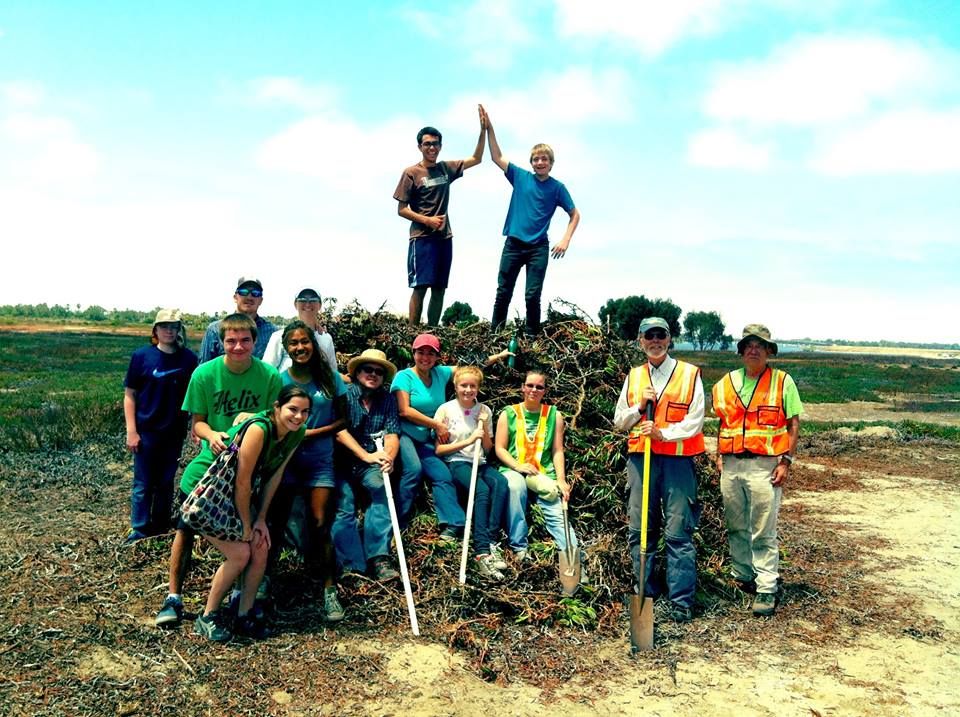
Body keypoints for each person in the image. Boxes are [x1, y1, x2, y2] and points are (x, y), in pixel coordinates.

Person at [155, 313, 282, 627]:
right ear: (221, 342)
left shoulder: (269, 376)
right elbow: (197, 422)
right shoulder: (204, 374)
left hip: (247, 470)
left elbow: (275, 416)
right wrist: (211, 435)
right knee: (185, 530)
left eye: (245, 340)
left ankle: (242, 597)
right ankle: (173, 597)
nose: (238, 347)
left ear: (255, 341)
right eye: (231, 341)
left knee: (249, 530)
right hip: (208, 468)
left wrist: (252, 415)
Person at [188, 384, 309, 642]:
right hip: (208, 489)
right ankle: (208, 616)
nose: (298, 417)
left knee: (260, 545)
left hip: (237, 493)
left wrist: (261, 519)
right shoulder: (259, 428)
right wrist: (246, 523)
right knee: (240, 553)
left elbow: (274, 475)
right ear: (277, 407)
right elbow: (242, 480)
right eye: (292, 409)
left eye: (305, 412)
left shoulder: (295, 433)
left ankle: (244, 614)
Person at [612, 316, 705, 623]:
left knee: (678, 533)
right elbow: (619, 422)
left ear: (669, 339)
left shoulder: (690, 374)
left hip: (677, 463)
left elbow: (695, 421)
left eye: (660, 336)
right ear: (640, 341)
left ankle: (680, 602)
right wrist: (639, 407)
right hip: (642, 462)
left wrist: (663, 434)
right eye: (649, 336)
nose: (655, 341)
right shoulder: (635, 376)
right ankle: (645, 595)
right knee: (641, 531)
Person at [712, 324, 803, 617]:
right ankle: (743, 576)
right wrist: (718, 455)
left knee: (763, 529)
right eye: (748, 344)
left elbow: (793, 424)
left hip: (765, 466)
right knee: (736, 524)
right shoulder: (725, 383)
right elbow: (722, 422)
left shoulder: (782, 382)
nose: (753, 349)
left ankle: (766, 587)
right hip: (732, 464)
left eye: (760, 345)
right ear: (741, 350)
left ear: (768, 351)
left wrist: (786, 461)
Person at [391, 333, 511, 542]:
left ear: (437, 357)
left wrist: (498, 356)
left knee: (443, 475)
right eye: (421, 352)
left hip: (427, 440)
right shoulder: (404, 376)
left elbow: (470, 367)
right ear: (414, 353)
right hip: (405, 434)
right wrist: (436, 424)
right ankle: (398, 523)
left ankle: (454, 523)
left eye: (431, 353)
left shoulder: (440, 373)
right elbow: (404, 411)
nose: (425, 358)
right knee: (414, 470)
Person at [265, 320, 348, 622]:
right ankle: (262, 582)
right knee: (275, 522)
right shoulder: (277, 379)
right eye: (293, 343)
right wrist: (293, 436)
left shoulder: (329, 379)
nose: (300, 347)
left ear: (313, 344)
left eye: (305, 341)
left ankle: (329, 591)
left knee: (319, 522)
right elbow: (270, 419)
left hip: (320, 461)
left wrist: (310, 434)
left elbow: (344, 419)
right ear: (286, 348)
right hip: (284, 460)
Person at [481, 105, 581, 335]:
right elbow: (496, 156)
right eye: (536, 159)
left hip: (538, 247)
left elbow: (575, 214)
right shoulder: (520, 176)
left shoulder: (557, 188)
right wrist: (490, 128)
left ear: (551, 163)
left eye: (544, 159)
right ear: (531, 162)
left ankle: (531, 334)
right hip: (514, 244)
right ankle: (495, 334)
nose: (540, 162)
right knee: (503, 291)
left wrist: (565, 239)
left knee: (532, 295)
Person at [394, 109, 486, 326]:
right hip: (421, 237)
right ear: (420, 147)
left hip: (444, 237)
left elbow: (477, 158)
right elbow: (402, 209)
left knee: (439, 287)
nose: (432, 148)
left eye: (435, 144)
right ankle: (413, 332)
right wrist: (427, 220)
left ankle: (433, 331)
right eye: (427, 144)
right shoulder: (411, 173)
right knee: (420, 286)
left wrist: (483, 131)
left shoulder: (446, 168)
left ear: (440, 146)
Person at [122, 309, 198, 542]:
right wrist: (131, 431)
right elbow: (130, 395)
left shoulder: (189, 359)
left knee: (166, 481)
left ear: (179, 330)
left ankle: (161, 523)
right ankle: (140, 528)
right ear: (155, 330)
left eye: (174, 326)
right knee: (143, 483)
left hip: (174, 432)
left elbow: (195, 396)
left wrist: (195, 426)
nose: (169, 330)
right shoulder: (141, 356)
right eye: (164, 326)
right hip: (146, 432)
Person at [495, 370, 581, 567]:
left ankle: (574, 563)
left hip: (543, 474)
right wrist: (518, 466)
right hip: (514, 470)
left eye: (539, 387)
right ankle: (519, 548)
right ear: (523, 387)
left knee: (558, 514)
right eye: (530, 385)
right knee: (515, 489)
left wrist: (561, 479)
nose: (534, 390)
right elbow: (500, 448)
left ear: (545, 391)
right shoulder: (508, 413)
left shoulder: (554, 415)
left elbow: (558, 450)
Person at [331, 349, 402, 581]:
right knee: (344, 505)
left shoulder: (388, 399)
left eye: (378, 372)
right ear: (358, 372)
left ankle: (378, 556)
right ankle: (352, 564)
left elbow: (392, 434)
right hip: (342, 461)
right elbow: (339, 432)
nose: (373, 375)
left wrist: (388, 456)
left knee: (382, 489)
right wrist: (365, 455)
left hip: (371, 462)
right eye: (367, 370)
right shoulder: (344, 395)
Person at [434, 366, 509, 580]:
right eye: (463, 385)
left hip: (480, 460)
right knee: (481, 490)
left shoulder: (484, 411)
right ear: (456, 386)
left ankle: (491, 542)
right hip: (457, 461)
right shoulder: (445, 410)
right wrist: (467, 440)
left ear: (478, 388)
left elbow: (487, 448)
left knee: (501, 483)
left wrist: (483, 427)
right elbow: (439, 449)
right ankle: (481, 552)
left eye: (472, 386)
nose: (468, 390)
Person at [261, 288, 339, 377]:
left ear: (320, 305)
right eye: (302, 300)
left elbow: (333, 372)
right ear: (295, 304)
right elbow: (266, 372)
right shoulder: (278, 336)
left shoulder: (326, 338)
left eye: (313, 300)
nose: (308, 304)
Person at [199, 277, 277, 362]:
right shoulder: (214, 329)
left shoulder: (273, 332)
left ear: (261, 300)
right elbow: (204, 365)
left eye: (255, 293)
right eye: (244, 292)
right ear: (235, 297)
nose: (249, 297)